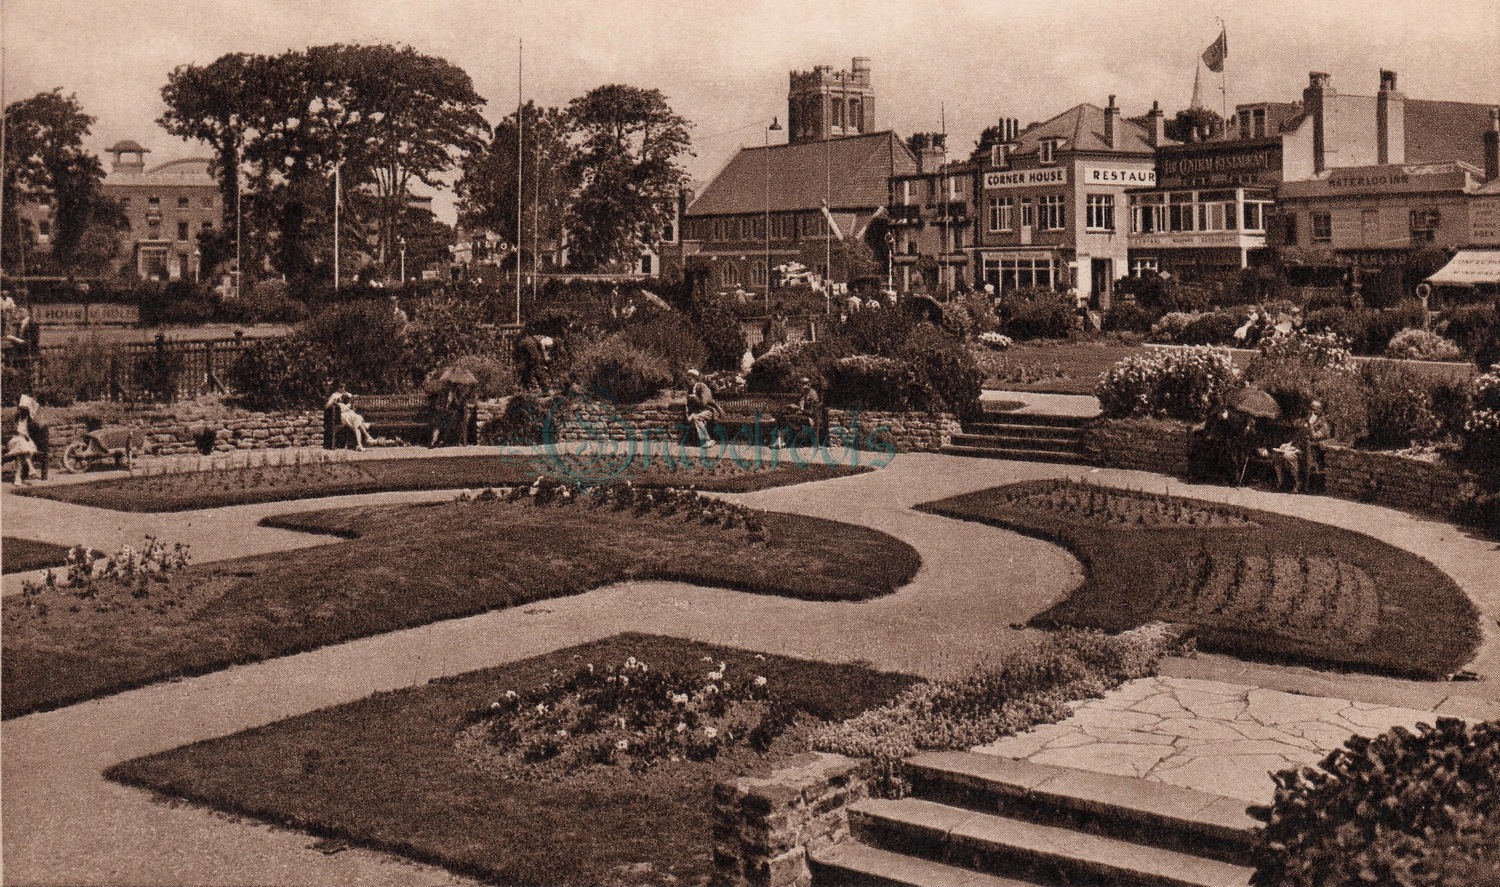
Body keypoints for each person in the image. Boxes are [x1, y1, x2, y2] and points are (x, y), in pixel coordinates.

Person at [6, 395, 45, 485]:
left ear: (28, 411)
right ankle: (31, 468)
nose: (23, 412)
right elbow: (15, 430)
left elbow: (36, 407)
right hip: (15, 440)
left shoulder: (29, 420)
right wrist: (23, 434)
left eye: (25, 410)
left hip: (25, 442)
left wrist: (26, 436)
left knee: (20, 454)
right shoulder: (16, 419)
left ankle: (17, 477)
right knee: (21, 444)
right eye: (22, 409)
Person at [685, 369, 722, 449]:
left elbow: (704, 403)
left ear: (695, 379)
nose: (689, 381)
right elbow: (689, 404)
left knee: (696, 418)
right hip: (699, 411)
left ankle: (708, 440)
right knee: (690, 418)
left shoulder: (702, 387)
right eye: (688, 379)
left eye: (690, 379)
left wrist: (695, 398)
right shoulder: (691, 389)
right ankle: (698, 440)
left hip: (710, 410)